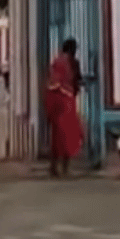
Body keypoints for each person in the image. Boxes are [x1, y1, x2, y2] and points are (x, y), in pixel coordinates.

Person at [44, 38, 84, 177]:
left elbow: (52, 84)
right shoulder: (69, 63)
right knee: (68, 135)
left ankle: (55, 167)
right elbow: (75, 80)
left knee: (58, 136)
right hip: (65, 102)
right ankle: (63, 168)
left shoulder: (58, 62)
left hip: (58, 102)